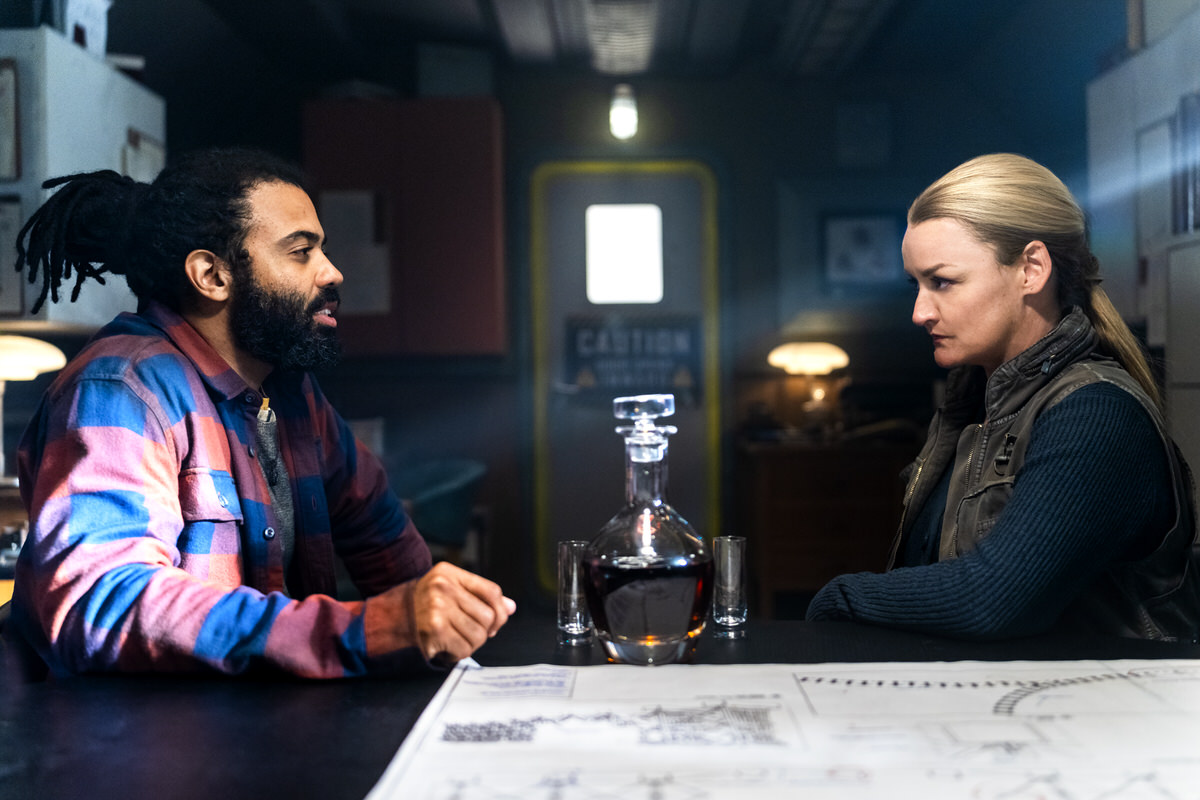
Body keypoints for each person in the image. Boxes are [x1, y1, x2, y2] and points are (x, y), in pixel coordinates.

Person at [4, 147, 514, 678]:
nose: (333, 273)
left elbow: (377, 528)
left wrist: (442, 629)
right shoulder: (122, 388)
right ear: (212, 275)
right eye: (301, 252)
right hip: (129, 747)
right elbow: (99, 605)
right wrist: (369, 628)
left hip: (256, 732)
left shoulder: (291, 392)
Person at [806, 153, 1200, 641]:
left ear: (1031, 269)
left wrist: (839, 597)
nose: (919, 312)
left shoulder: (1097, 412)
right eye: (917, 284)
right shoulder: (971, 404)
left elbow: (989, 601)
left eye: (942, 282)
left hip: (1093, 713)